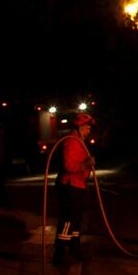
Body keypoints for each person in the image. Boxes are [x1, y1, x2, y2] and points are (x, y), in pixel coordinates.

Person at [53, 113, 95, 265]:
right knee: (68, 220)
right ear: (79, 127)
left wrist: (87, 166)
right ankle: (60, 252)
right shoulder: (71, 142)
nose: (89, 131)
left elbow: (81, 166)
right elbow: (69, 165)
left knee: (76, 221)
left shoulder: (79, 142)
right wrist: (85, 165)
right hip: (69, 186)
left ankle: (74, 248)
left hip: (78, 186)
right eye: (87, 128)